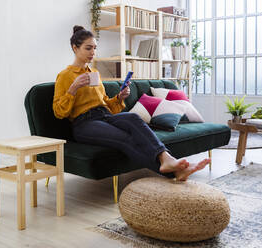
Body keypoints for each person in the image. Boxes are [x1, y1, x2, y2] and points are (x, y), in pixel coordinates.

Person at [53, 25, 210, 181]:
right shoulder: (65, 76)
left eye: (94, 48)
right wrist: (73, 88)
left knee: (133, 118)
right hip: (84, 124)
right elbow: (59, 112)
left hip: (105, 116)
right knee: (125, 137)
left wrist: (120, 98)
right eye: (88, 48)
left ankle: (166, 158)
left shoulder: (94, 73)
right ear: (75, 48)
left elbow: (106, 104)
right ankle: (173, 172)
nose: (93, 53)